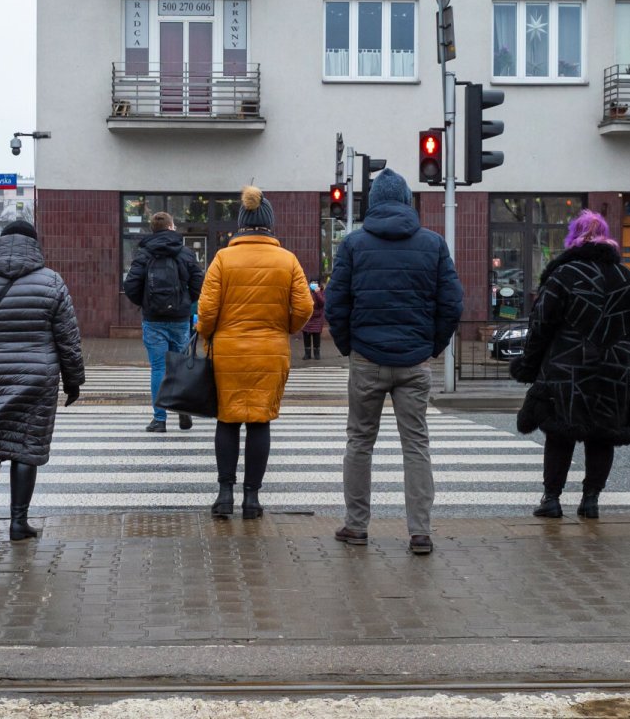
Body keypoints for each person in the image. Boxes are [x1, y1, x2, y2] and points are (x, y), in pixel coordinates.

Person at [326, 169, 462, 556]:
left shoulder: (354, 244)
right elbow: (452, 303)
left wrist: (349, 346)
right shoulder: (433, 244)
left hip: (366, 357)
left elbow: (336, 303)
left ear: (372, 204)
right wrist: (432, 347)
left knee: (359, 442)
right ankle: (420, 532)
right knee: (416, 444)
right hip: (414, 360)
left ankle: (356, 526)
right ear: (406, 201)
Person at [0, 219, 86, 542]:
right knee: (26, 448)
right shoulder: (51, 282)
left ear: (1, 243)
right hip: (36, 379)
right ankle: (18, 523)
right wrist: (73, 381)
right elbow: (68, 339)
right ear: (34, 245)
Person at [511, 209, 630, 521]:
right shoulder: (627, 279)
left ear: (573, 238)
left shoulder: (563, 275)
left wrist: (529, 364)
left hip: (567, 369)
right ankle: (591, 500)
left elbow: (541, 324)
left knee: (560, 434)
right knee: (602, 436)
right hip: (612, 372)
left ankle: (552, 498)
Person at [196, 186, 313, 520]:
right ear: (270, 224)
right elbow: (304, 307)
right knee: (260, 421)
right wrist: (283, 327)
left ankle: (224, 496)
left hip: (228, 351)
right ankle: (252, 499)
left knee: (227, 419)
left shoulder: (223, 259)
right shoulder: (287, 260)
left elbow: (206, 310)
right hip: (270, 352)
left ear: (241, 223)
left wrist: (207, 334)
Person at [124, 211, 204, 432]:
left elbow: (130, 285)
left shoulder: (144, 253)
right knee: (180, 366)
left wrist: (145, 302)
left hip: (153, 320)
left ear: (153, 229)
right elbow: (199, 281)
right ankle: (183, 408)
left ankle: (159, 420)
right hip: (179, 319)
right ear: (170, 227)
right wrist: (186, 301)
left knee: (158, 368)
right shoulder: (184, 252)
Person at [301, 280, 326, 360]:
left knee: (316, 336)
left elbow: (322, 303)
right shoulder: (306, 291)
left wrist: (317, 293)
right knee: (306, 336)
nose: (313, 284)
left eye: (315, 283)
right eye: (312, 283)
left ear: (318, 285)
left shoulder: (321, 292)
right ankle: (307, 354)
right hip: (307, 317)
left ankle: (317, 354)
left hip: (317, 318)